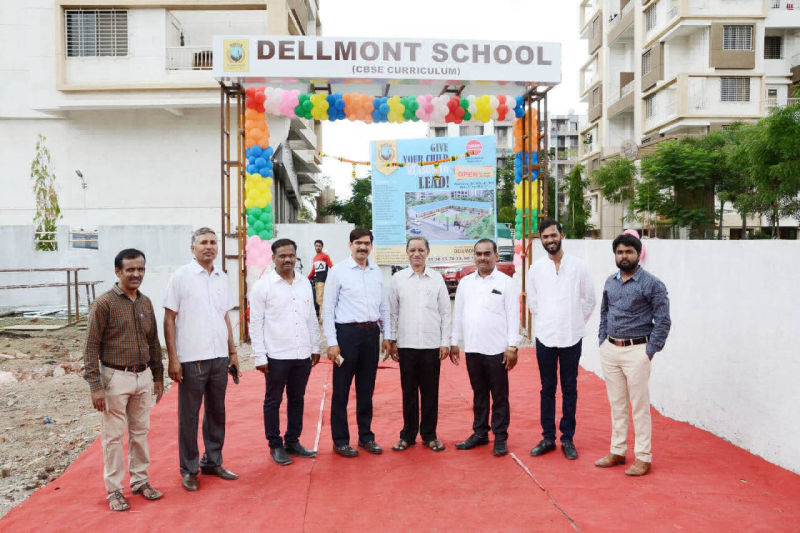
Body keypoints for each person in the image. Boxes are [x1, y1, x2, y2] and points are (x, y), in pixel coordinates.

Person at [83, 248, 164, 511]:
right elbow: (90, 347)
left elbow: (153, 342)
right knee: (114, 437)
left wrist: (158, 377)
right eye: (130, 269)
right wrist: (96, 386)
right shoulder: (104, 304)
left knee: (140, 433)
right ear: (118, 271)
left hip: (143, 376)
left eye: (140, 269)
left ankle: (140, 481)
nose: (136, 274)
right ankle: (114, 490)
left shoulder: (146, 302)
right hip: (115, 378)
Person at [163, 227, 239, 491]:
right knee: (189, 417)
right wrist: (173, 359)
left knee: (217, 413)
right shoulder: (181, 277)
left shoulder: (221, 277)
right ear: (192, 248)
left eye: (213, 242)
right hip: (192, 358)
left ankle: (213, 461)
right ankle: (189, 469)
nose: (209, 246)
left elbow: (225, 316)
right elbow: (169, 318)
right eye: (203, 242)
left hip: (219, 357)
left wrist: (232, 353)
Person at [596, 233, 671, 476]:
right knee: (617, 404)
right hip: (611, 350)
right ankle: (617, 451)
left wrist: (649, 352)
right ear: (615, 255)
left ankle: (643, 457)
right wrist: (602, 341)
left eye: (629, 252)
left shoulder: (652, 284)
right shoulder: (610, 282)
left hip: (637, 351)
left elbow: (663, 321)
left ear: (638, 254)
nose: (624, 256)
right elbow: (604, 313)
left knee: (639, 406)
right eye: (620, 252)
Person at [527, 219, 596, 460]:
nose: (550, 240)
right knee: (547, 388)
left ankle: (567, 438)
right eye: (545, 237)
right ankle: (548, 437)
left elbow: (589, 299)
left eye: (553, 235)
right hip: (545, 337)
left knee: (569, 388)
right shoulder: (535, 269)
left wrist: (574, 320)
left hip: (571, 336)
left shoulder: (578, 266)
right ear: (541, 240)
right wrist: (549, 320)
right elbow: (533, 303)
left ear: (562, 235)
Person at [249, 238, 321, 466]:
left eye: (291, 255)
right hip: (276, 355)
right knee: (273, 400)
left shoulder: (304, 283)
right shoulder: (263, 286)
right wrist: (259, 356)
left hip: (302, 354)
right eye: (282, 256)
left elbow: (311, 317)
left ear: (296, 256)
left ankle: (292, 441)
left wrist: (315, 346)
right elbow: (255, 323)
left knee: (297, 399)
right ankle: (275, 444)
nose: (287, 259)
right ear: (273, 258)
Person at [322, 228, 392, 458]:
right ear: (350, 245)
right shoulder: (338, 271)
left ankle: (366, 437)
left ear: (371, 246)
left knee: (366, 390)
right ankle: (340, 441)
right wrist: (332, 342)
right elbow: (328, 308)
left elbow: (383, 307)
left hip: (371, 336)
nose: (362, 247)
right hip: (346, 336)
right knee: (341, 390)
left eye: (367, 243)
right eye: (358, 243)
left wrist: (387, 336)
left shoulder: (375, 272)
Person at [450, 239, 520, 456]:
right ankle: (480, 433)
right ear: (474, 256)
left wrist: (512, 346)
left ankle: (500, 436)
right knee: (479, 394)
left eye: (487, 253)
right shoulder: (465, 283)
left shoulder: (506, 283)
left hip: (498, 350)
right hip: (473, 349)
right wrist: (454, 342)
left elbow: (513, 316)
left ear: (496, 256)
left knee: (499, 396)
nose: (482, 258)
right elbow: (458, 314)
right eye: (478, 254)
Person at [387, 237, 452, 453]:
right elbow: (392, 313)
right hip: (406, 345)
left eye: (421, 250)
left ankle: (430, 435)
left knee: (430, 393)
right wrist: (392, 340)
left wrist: (445, 342)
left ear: (428, 252)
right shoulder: (397, 279)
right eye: (412, 250)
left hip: (431, 345)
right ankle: (407, 435)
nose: (417, 254)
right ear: (406, 253)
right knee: (409, 393)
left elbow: (445, 312)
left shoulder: (437, 279)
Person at [308, 239, 333, 318]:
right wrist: (307, 278)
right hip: (317, 281)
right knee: (318, 300)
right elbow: (313, 270)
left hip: (323, 280)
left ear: (322, 247)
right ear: (314, 247)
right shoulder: (315, 258)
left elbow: (331, 266)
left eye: (319, 246)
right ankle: (321, 317)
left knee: (321, 299)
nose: (318, 247)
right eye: (316, 246)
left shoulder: (325, 256)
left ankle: (322, 318)